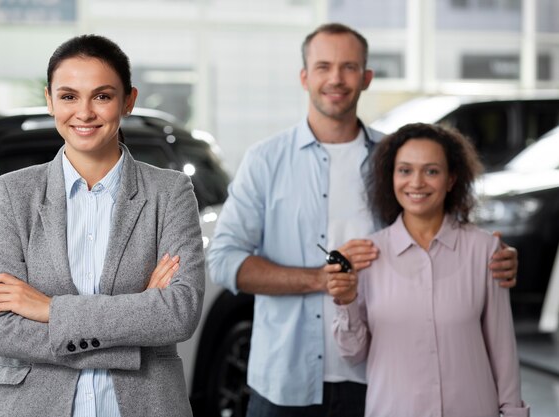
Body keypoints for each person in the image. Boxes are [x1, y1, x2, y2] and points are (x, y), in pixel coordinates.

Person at [207, 23, 519, 417]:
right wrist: (319, 279)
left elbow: (443, 242)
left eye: (349, 67)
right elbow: (223, 260)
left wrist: (495, 259)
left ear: (367, 77)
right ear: (305, 77)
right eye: (323, 66)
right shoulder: (265, 161)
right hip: (283, 380)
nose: (336, 78)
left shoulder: (396, 162)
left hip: (378, 380)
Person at [0, 35, 204, 417]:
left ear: (128, 100)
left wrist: (50, 310)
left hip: (145, 405)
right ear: (49, 100)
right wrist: (137, 324)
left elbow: (179, 313)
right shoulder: (13, 194)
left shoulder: (170, 191)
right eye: (68, 96)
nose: (84, 112)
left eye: (102, 96)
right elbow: (3, 330)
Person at [329, 123, 529, 417]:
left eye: (431, 171)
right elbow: (352, 354)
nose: (417, 182)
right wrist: (346, 301)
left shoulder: (485, 251)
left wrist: (513, 413)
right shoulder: (367, 255)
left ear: (451, 179)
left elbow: (503, 350)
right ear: (391, 177)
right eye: (405, 170)